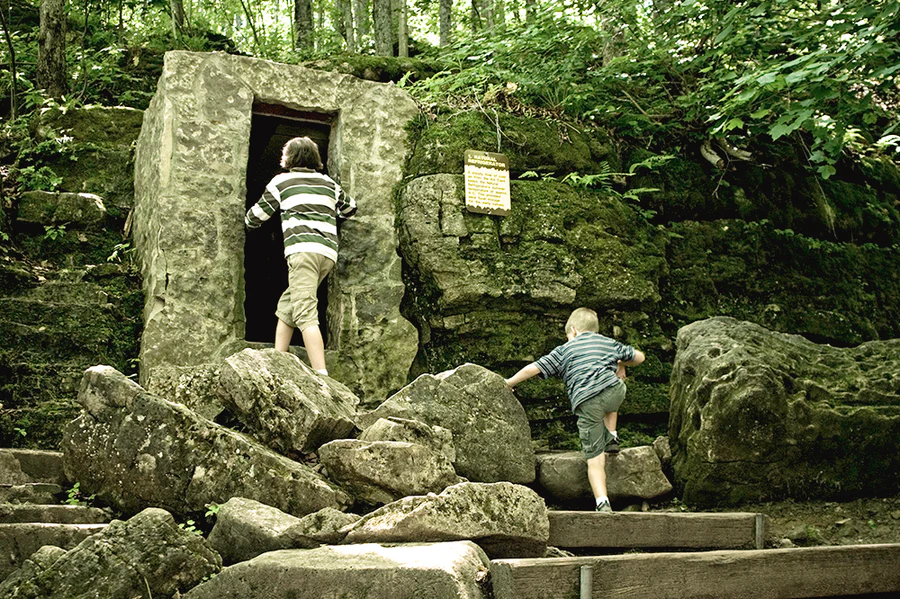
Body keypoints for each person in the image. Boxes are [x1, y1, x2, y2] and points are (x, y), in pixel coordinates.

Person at [505, 307, 645, 513]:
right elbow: (639, 357)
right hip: (615, 391)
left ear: (573, 330)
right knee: (609, 392)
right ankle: (612, 437)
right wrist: (620, 362)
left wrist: (510, 382)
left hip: (587, 402)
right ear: (595, 331)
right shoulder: (606, 342)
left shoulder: (564, 350)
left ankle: (602, 502)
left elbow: (534, 368)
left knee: (595, 459)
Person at [245, 136, 356, 376]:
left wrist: (245, 220)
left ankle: (321, 375)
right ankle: (278, 360)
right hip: (326, 254)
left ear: (289, 158)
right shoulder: (328, 183)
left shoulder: (282, 182)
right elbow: (350, 208)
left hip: (302, 252)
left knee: (305, 311)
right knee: (288, 305)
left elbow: (256, 217)